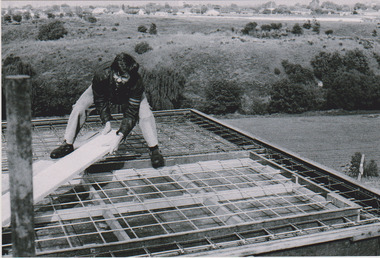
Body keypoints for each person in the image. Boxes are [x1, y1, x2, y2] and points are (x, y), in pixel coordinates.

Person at [50, 52, 165, 168]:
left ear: (131, 75)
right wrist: (107, 122)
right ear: (113, 70)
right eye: (117, 75)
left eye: (124, 77)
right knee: (79, 107)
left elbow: (131, 114)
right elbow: (100, 100)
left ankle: (154, 148)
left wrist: (119, 136)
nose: (119, 80)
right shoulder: (101, 75)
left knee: (145, 114)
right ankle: (68, 144)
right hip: (106, 90)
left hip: (128, 94)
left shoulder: (137, 83)